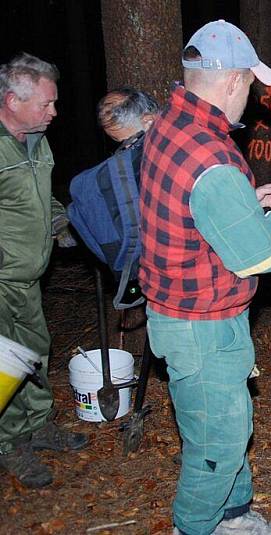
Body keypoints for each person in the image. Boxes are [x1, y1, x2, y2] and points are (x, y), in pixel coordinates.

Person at [138, 20, 271, 535]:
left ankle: (234, 518)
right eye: (250, 85)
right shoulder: (213, 157)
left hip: (183, 310)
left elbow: (187, 207)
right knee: (217, 445)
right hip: (200, 324)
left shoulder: (170, 124)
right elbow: (261, 255)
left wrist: (242, 203)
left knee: (224, 426)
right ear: (231, 81)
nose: (251, 96)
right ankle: (195, 526)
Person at [0, 52, 87, 489]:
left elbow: (39, 197)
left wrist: (61, 222)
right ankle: (12, 443)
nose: (54, 112)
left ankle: (39, 424)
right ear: (13, 100)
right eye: (46, 104)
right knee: (5, 362)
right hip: (1, 279)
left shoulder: (36, 140)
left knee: (34, 352)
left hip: (28, 276)